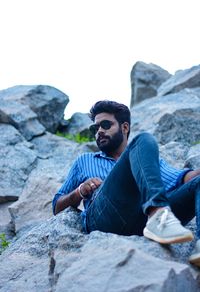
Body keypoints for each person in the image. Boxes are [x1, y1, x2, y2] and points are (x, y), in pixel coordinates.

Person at [52, 100, 200, 266]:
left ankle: (164, 223)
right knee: (144, 139)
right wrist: (79, 191)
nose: (99, 131)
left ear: (124, 128)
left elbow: (183, 179)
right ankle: (159, 216)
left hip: (141, 221)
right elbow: (56, 206)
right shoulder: (84, 161)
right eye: (96, 128)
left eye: (106, 125)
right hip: (105, 219)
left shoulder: (146, 159)